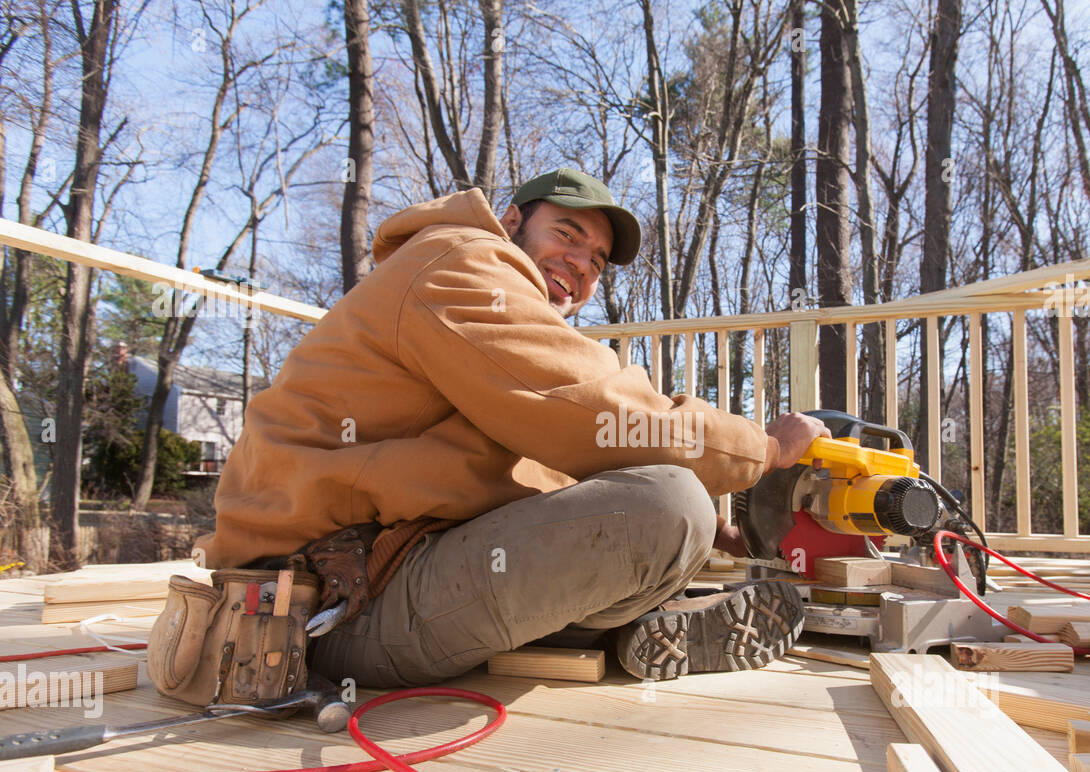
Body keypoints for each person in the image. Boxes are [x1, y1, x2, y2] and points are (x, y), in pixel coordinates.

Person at [193, 168, 829, 685]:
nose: (580, 263)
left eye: (598, 260)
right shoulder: (458, 262)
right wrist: (766, 449)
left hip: (378, 574)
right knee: (668, 508)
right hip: (316, 611)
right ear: (511, 220)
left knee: (674, 525)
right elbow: (590, 412)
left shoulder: (480, 298)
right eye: (567, 234)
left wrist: (722, 538)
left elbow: (547, 462)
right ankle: (629, 627)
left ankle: (643, 625)